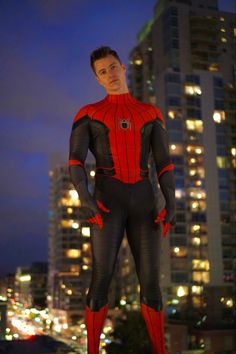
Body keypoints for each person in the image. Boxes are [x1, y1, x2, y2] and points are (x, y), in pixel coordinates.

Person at [68, 46, 175, 354]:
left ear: (123, 67)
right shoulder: (88, 113)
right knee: (100, 280)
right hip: (106, 202)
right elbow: (75, 160)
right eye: (103, 71)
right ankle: (92, 350)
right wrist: (85, 198)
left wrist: (172, 202)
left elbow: (165, 162)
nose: (110, 74)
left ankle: (160, 350)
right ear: (97, 79)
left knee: (152, 284)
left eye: (113, 67)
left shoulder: (150, 113)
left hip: (145, 201)